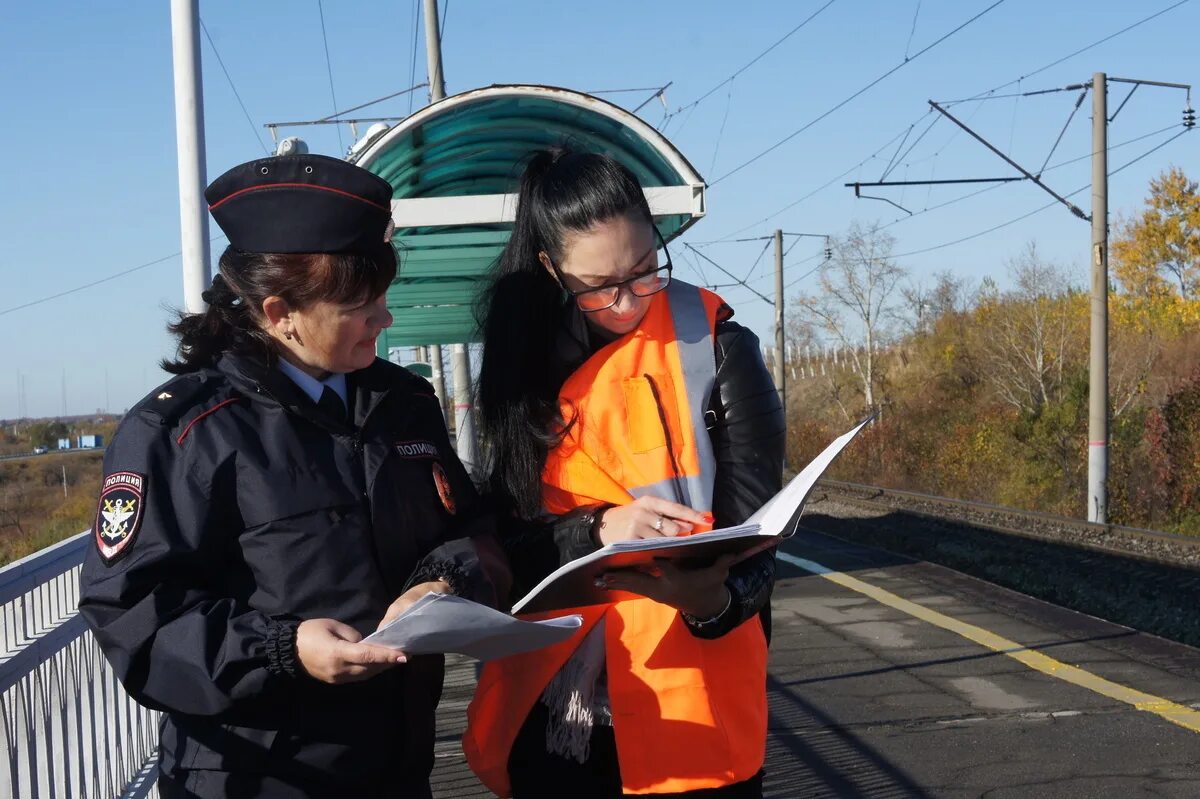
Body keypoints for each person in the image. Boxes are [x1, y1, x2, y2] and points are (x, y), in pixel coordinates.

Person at [78, 153, 507, 798]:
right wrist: (283, 649)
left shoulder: (403, 406)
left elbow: (470, 525)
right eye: (360, 309)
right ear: (280, 313)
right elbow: (136, 617)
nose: (383, 321)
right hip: (259, 773)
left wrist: (442, 581)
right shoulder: (185, 433)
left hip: (398, 760)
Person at [463, 149, 785, 798]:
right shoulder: (519, 363)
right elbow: (505, 540)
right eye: (599, 285)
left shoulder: (718, 346)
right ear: (553, 270)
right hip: (554, 710)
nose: (627, 301)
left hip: (694, 700)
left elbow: (758, 543)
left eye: (645, 270)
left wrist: (713, 604)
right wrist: (595, 528)